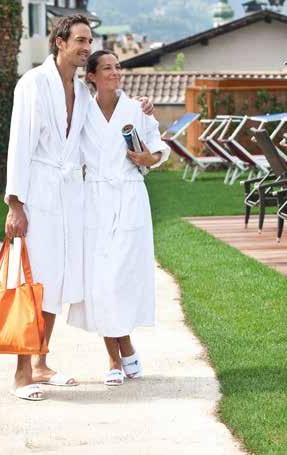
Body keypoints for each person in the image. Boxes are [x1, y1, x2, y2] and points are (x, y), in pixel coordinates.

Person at [4, 16, 153, 401]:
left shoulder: (81, 92)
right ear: (60, 41)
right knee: (32, 283)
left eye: (90, 41)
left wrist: (142, 107)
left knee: (56, 281)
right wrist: (15, 203)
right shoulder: (33, 84)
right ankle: (22, 374)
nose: (87, 47)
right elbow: (19, 144)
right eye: (81, 40)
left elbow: (110, 112)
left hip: (72, 195)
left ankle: (40, 362)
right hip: (38, 192)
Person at [66, 50, 170, 386]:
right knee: (100, 279)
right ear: (92, 76)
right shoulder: (81, 111)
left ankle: (123, 346)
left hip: (130, 196)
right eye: (107, 68)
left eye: (118, 67)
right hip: (94, 198)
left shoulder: (136, 110)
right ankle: (117, 354)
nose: (115, 73)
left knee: (121, 277)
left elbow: (157, 149)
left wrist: (147, 158)